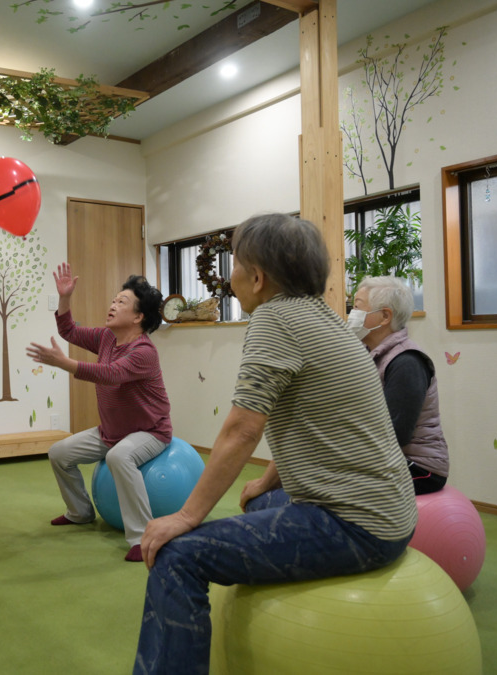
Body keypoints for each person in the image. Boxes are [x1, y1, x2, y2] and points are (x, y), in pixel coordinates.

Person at [134, 214, 416, 674]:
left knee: (177, 555)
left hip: (357, 526)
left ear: (258, 277)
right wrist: (266, 480)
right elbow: (314, 420)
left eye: (236, 266)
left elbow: (243, 429)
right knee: (260, 503)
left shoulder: (274, 319)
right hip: (392, 513)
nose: (232, 278)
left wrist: (186, 517)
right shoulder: (326, 321)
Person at [26, 264, 172, 563]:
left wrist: (64, 363)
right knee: (59, 453)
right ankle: (79, 512)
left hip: (150, 431)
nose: (112, 305)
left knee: (120, 456)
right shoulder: (106, 338)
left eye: (121, 302)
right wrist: (64, 298)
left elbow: (110, 374)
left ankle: (142, 537)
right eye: (113, 299)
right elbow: (68, 330)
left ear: (138, 316)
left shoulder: (144, 351)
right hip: (111, 432)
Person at [348, 275, 449, 494]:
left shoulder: (407, 362)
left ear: (384, 316)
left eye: (357, 307)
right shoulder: (371, 356)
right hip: (388, 458)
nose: (351, 315)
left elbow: (396, 432)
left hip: (420, 468)